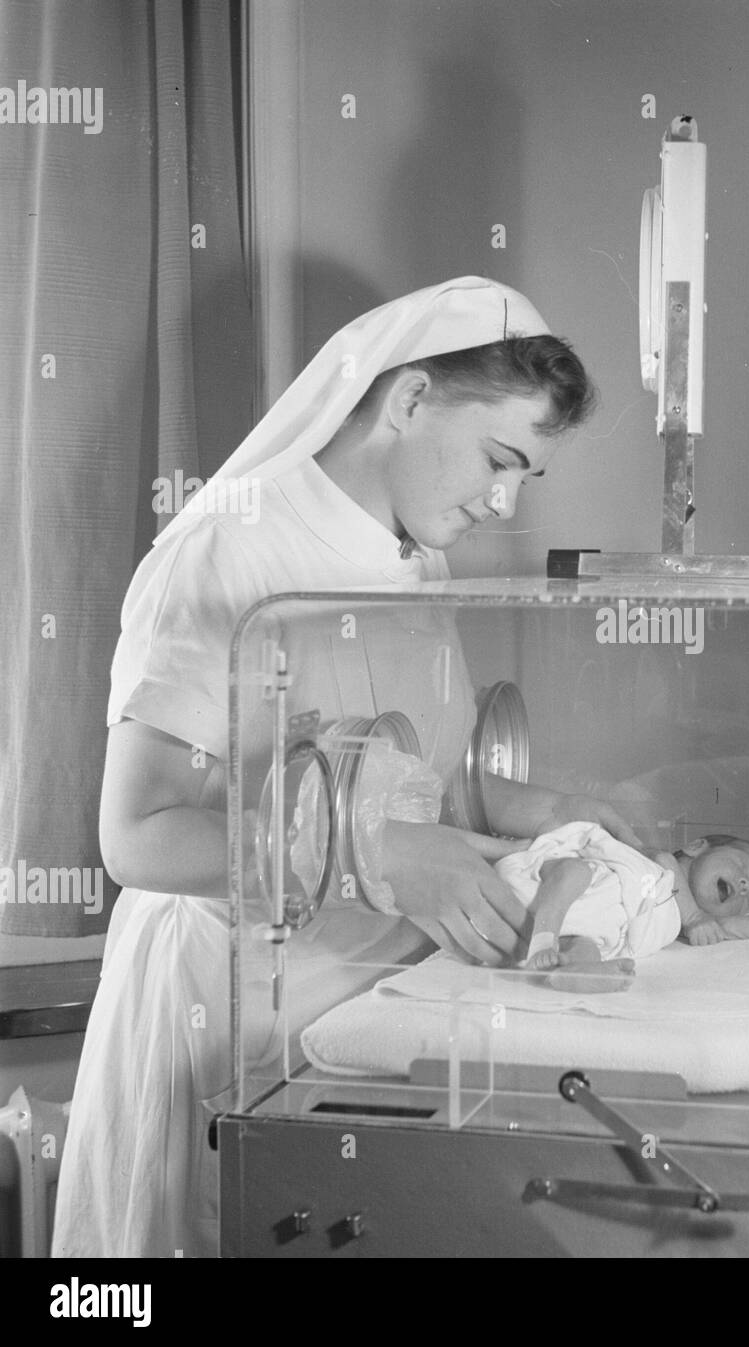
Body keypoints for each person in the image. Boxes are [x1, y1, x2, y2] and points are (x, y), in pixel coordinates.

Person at [52, 277, 638, 1258]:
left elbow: (430, 787)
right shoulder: (226, 550)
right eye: (499, 460)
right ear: (408, 398)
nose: (502, 502)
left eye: (523, 479)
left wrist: (586, 813)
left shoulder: (419, 561)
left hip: (357, 1019)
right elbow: (137, 835)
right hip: (223, 1013)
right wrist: (372, 858)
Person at [505, 824, 749, 986]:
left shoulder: (684, 921)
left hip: (600, 927)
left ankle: (574, 971)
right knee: (574, 873)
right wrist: (695, 916)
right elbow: (663, 862)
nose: (745, 885)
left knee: (588, 946)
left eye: (747, 900)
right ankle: (543, 938)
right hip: (580, 883)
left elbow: (730, 928)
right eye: (741, 865)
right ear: (696, 847)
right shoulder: (659, 863)